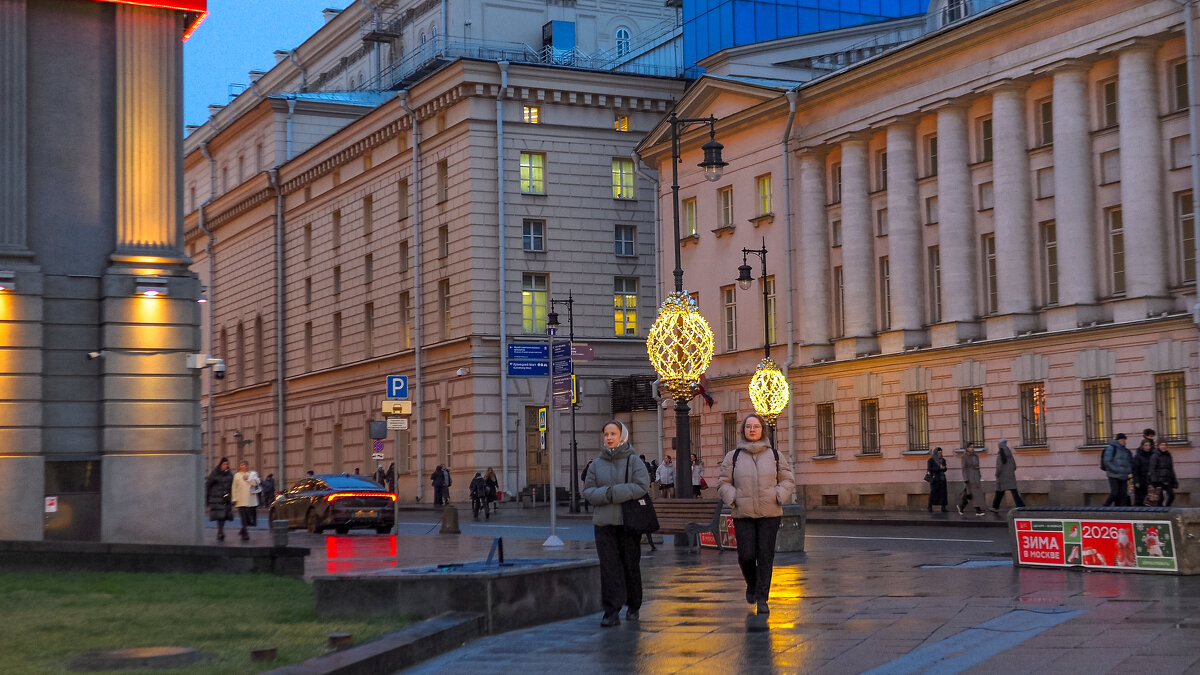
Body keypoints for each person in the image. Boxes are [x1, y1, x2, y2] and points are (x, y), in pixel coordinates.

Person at [717, 413, 795, 615]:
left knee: (765, 556)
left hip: (770, 513)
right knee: (746, 556)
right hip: (743, 513)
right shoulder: (733, 456)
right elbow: (723, 483)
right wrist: (733, 497)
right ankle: (752, 584)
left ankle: (762, 598)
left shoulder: (775, 456)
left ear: (762, 430)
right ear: (743, 430)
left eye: (756, 426)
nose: (752, 429)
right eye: (748, 426)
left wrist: (778, 495)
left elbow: (787, 480)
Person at [582, 420, 650, 627]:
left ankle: (634, 605)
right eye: (606, 434)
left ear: (622, 436)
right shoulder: (596, 464)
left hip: (628, 523)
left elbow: (642, 486)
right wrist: (608, 494)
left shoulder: (634, 461)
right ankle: (611, 611)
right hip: (604, 524)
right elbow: (587, 491)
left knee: (630, 565)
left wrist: (613, 493)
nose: (609, 438)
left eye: (613, 434)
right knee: (609, 568)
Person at [990, 439, 1025, 512]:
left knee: (999, 492)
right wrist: (1010, 472)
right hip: (1010, 477)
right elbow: (1014, 466)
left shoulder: (1000, 455)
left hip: (1002, 478)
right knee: (1014, 492)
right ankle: (1021, 505)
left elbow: (999, 467)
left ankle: (995, 507)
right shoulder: (1010, 454)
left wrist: (997, 474)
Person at [205, 457, 233, 542]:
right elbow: (208, 485)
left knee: (224, 515)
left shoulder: (230, 474)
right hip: (216, 497)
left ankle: (221, 531)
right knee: (220, 515)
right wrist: (208, 498)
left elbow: (232, 486)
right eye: (224, 464)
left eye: (227, 464)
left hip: (225, 497)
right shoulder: (215, 473)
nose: (226, 466)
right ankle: (220, 531)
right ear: (221, 464)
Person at [232, 460, 260, 541]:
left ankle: (243, 529)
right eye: (241, 465)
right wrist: (234, 498)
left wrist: (249, 479)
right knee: (243, 516)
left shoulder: (252, 474)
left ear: (247, 466)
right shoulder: (237, 475)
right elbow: (234, 487)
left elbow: (256, 483)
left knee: (248, 517)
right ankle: (245, 533)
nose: (242, 467)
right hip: (240, 499)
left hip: (250, 500)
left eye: (244, 465)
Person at [1102, 433, 1133, 506]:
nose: (1125, 442)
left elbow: (1130, 463)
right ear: (1119, 440)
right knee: (1115, 492)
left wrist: (1129, 472)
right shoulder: (1112, 448)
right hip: (1113, 475)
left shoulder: (1126, 451)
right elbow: (1107, 461)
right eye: (1123, 440)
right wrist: (1116, 470)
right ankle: (1105, 506)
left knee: (1123, 494)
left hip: (1124, 476)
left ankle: (1121, 510)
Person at [957, 443, 985, 516]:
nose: (972, 448)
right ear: (967, 448)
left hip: (976, 477)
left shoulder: (976, 456)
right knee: (974, 493)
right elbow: (964, 468)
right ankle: (978, 510)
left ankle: (961, 506)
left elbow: (977, 466)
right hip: (969, 476)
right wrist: (965, 478)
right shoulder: (964, 456)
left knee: (970, 494)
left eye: (973, 447)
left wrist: (979, 475)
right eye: (970, 447)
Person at [1147, 440, 1178, 506]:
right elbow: (1152, 469)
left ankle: (1167, 509)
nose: (1164, 446)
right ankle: (1160, 513)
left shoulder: (1168, 455)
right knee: (1160, 498)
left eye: (1165, 445)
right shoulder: (1155, 456)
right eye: (1162, 445)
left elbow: (1171, 469)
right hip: (1159, 480)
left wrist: (1174, 481)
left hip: (1167, 479)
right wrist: (1154, 481)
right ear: (1158, 446)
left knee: (1172, 495)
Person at [1131, 438, 1154, 507]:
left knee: (1149, 500)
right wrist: (1136, 481)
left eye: (1149, 445)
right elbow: (1135, 470)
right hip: (1141, 480)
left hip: (1149, 480)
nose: (1147, 447)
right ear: (1142, 446)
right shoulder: (1138, 456)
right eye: (1146, 445)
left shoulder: (1152, 455)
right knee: (1139, 500)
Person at [926, 447, 948, 512]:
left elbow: (945, 469)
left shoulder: (943, 460)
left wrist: (944, 468)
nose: (940, 454)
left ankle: (943, 507)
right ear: (936, 453)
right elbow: (930, 469)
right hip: (935, 479)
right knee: (933, 492)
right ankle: (930, 506)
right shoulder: (931, 460)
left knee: (943, 493)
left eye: (941, 453)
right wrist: (939, 468)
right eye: (938, 453)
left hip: (942, 478)